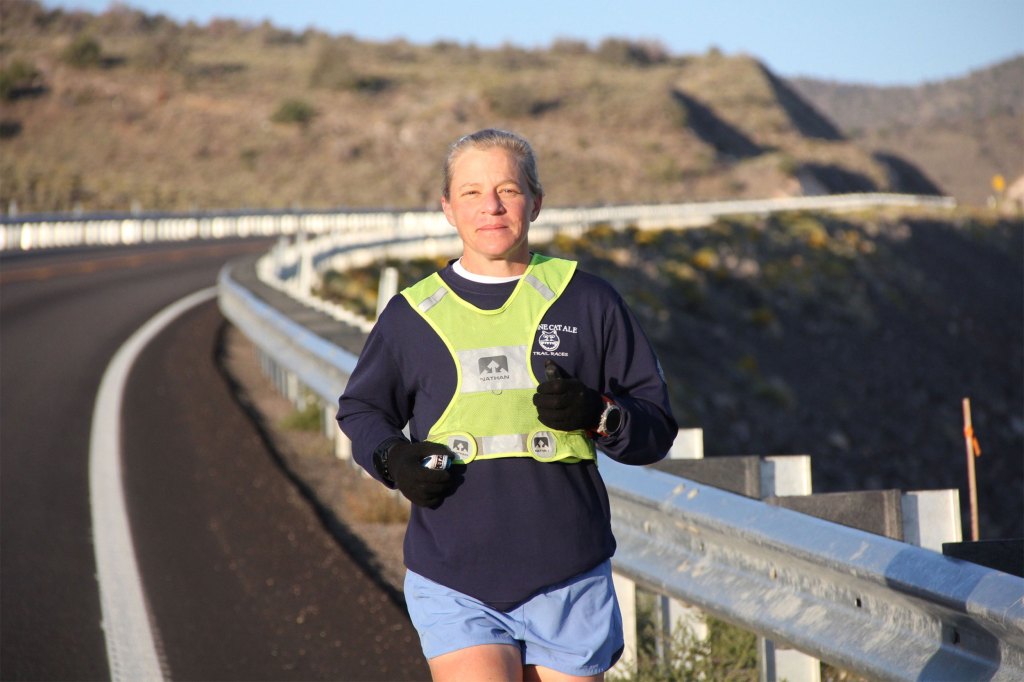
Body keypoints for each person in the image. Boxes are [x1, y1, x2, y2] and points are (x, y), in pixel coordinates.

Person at [337, 128, 677, 681]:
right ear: (447, 208)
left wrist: (600, 415)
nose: (490, 207)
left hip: (571, 572)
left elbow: (655, 428)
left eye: (508, 191)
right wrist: (394, 460)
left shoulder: (590, 301)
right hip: (453, 577)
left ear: (536, 202)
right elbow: (361, 411)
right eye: (470, 193)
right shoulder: (411, 315)